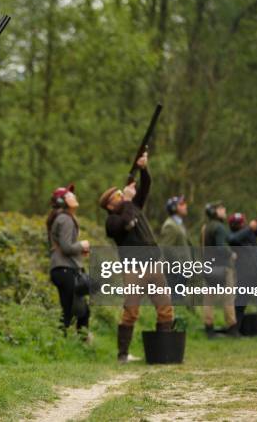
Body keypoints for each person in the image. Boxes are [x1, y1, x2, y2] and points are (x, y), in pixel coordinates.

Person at [99, 153, 174, 363]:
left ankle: (164, 352)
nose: (122, 195)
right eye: (117, 196)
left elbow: (146, 186)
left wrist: (143, 168)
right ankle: (122, 355)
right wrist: (130, 201)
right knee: (131, 311)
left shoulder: (132, 206)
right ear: (109, 205)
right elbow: (127, 222)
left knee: (165, 308)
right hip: (133, 270)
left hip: (154, 265)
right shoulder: (112, 221)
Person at [47, 184, 92, 341]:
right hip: (64, 270)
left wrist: (79, 250)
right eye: (70, 195)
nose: (74, 196)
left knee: (77, 310)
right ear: (62, 201)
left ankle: (74, 343)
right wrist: (82, 245)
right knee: (73, 310)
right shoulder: (65, 219)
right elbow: (66, 247)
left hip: (62, 269)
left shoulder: (62, 217)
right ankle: (67, 344)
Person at [200, 201, 239, 338]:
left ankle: (209, 328)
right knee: (228, 298)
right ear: (215, 211)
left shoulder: (205, 227)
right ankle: (232, 327)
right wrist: (232, 254)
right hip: (222, 267)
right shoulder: (220, 227)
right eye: (222, 209)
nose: (224, 210)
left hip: (208, 266)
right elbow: (221, 247)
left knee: (208, 300)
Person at [159, 196, 192, 302]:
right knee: (174, 300)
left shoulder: (178, 224)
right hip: (176, 270)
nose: (185, 206)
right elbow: (167, 248)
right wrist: (179, 266)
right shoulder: (170, 225)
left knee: (178, 300)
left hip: (182, 269)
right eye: (181, 204)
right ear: (174, 208)